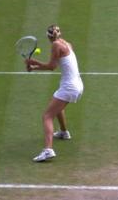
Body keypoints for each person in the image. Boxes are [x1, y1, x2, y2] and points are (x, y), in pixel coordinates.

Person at [25, 25, 84, 162]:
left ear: (48, 36)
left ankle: (48, 150)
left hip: (69, 86)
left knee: (47, 116)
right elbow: (55, 65)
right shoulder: (66, 43)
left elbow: (51, 67)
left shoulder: (56, 45)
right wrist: (34, 67)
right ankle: (64, 132)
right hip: (77, 84)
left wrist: (33, 63)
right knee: (56, 103)